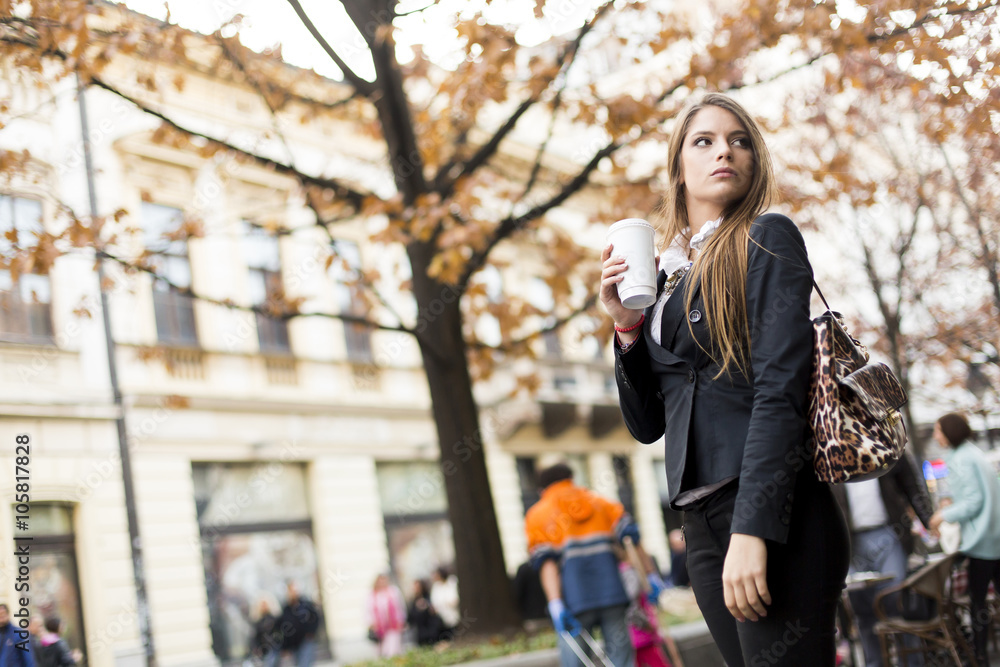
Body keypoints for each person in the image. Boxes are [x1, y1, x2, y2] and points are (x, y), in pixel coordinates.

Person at [602, 92, 850, 666]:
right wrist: (626, 328)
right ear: (678, 166)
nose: (725, 152)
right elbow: (647, 425)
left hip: (772, 511)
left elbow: (779, 391)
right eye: (705, 141)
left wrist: (754, 529)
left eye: (740, 141)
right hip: (701, 522)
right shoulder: (666, 277)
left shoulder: (766, 237)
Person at [525, 462, 665, 667]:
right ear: (571, 479)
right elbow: (632, 540)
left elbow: (548, 564)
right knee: (622, 661)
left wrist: (555, 603)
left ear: (542, 490)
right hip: (614, 596)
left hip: (574, 602)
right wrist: (651, 576)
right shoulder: (602, 503)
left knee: (576, 662)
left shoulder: (538, 514)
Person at [831, 452, 935, 667]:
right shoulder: (831, 449)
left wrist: (928, 520)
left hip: (888, 534)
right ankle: (875, 663)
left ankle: (913, 662)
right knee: (863, 610)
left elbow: (910, 483)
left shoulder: (880, 441)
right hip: (851, 540)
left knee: (896, 602)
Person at [928, 413, 1000, 667]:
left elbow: (972, 502)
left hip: (982, 542)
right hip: (995, 536)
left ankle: (979, 657)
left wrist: (942, 515)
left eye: (938, 430)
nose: (936, 436)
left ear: (949, 431)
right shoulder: (974, 453)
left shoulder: (959, 459)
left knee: (977, 602)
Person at [271, 582, 320, 667]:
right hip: (293, 644)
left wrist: (311, 632)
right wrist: (284, 647)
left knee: (305, 663)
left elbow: (315, 618)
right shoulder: (286, 609)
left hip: (306, 640)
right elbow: (282, 628)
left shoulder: (306, 605)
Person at [365, 573, 406, 657]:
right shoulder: (372, 595)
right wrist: (371, 624)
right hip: (379, 629)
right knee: (382, 652)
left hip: (393, 626)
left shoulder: (393, 591)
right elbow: (367, 611)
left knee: (393, 650)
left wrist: (401, 620)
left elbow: (400, 607)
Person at [512, 559, 550, 628]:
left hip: (531, 615)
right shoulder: (549, 566)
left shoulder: (524, 568)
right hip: (547, 614)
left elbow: (517, 592)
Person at [406, 579, 443, 647]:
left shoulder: (429, 597)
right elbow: (410, 617)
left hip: (431, 631)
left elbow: (434, 612)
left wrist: (426, 606)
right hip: (420, 633)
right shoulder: (414, 601)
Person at [429, 566, 460, 641]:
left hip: (453, 616)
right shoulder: (436, 586)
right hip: (441, 618)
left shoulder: (452, 582)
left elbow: (453, 599)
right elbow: (434, 601)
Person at [248, 593, 280, 665]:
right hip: (263, 650)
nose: (264, 606)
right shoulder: (257, 621)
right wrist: (255, 648)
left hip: (274, 648)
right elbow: (254, 636)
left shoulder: (275, 618)